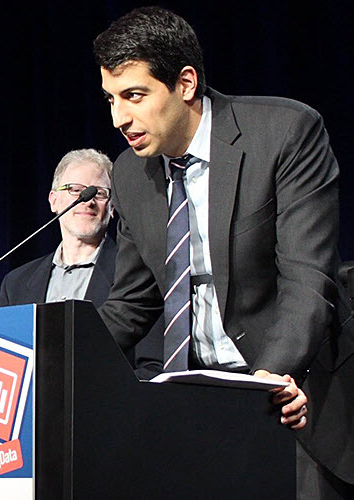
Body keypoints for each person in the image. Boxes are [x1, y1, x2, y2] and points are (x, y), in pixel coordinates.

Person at [94, 7, 354, 498]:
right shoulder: (130, 173)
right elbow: (131, 304)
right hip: (200, 409)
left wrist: (267, 380)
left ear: (185, 83)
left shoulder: (284, 132)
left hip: (295, 394)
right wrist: (51, 360)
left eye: (134, 96)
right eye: (111, 99)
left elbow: (307, 281)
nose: (118, 118)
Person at [0, 148, 162, 379]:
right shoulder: (15, 283)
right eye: (75, 190)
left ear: (113, 207)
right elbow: (3, 366)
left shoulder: (140, 274)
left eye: (100, 193)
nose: (88, 201)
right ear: (53, 200)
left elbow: (152, 369)